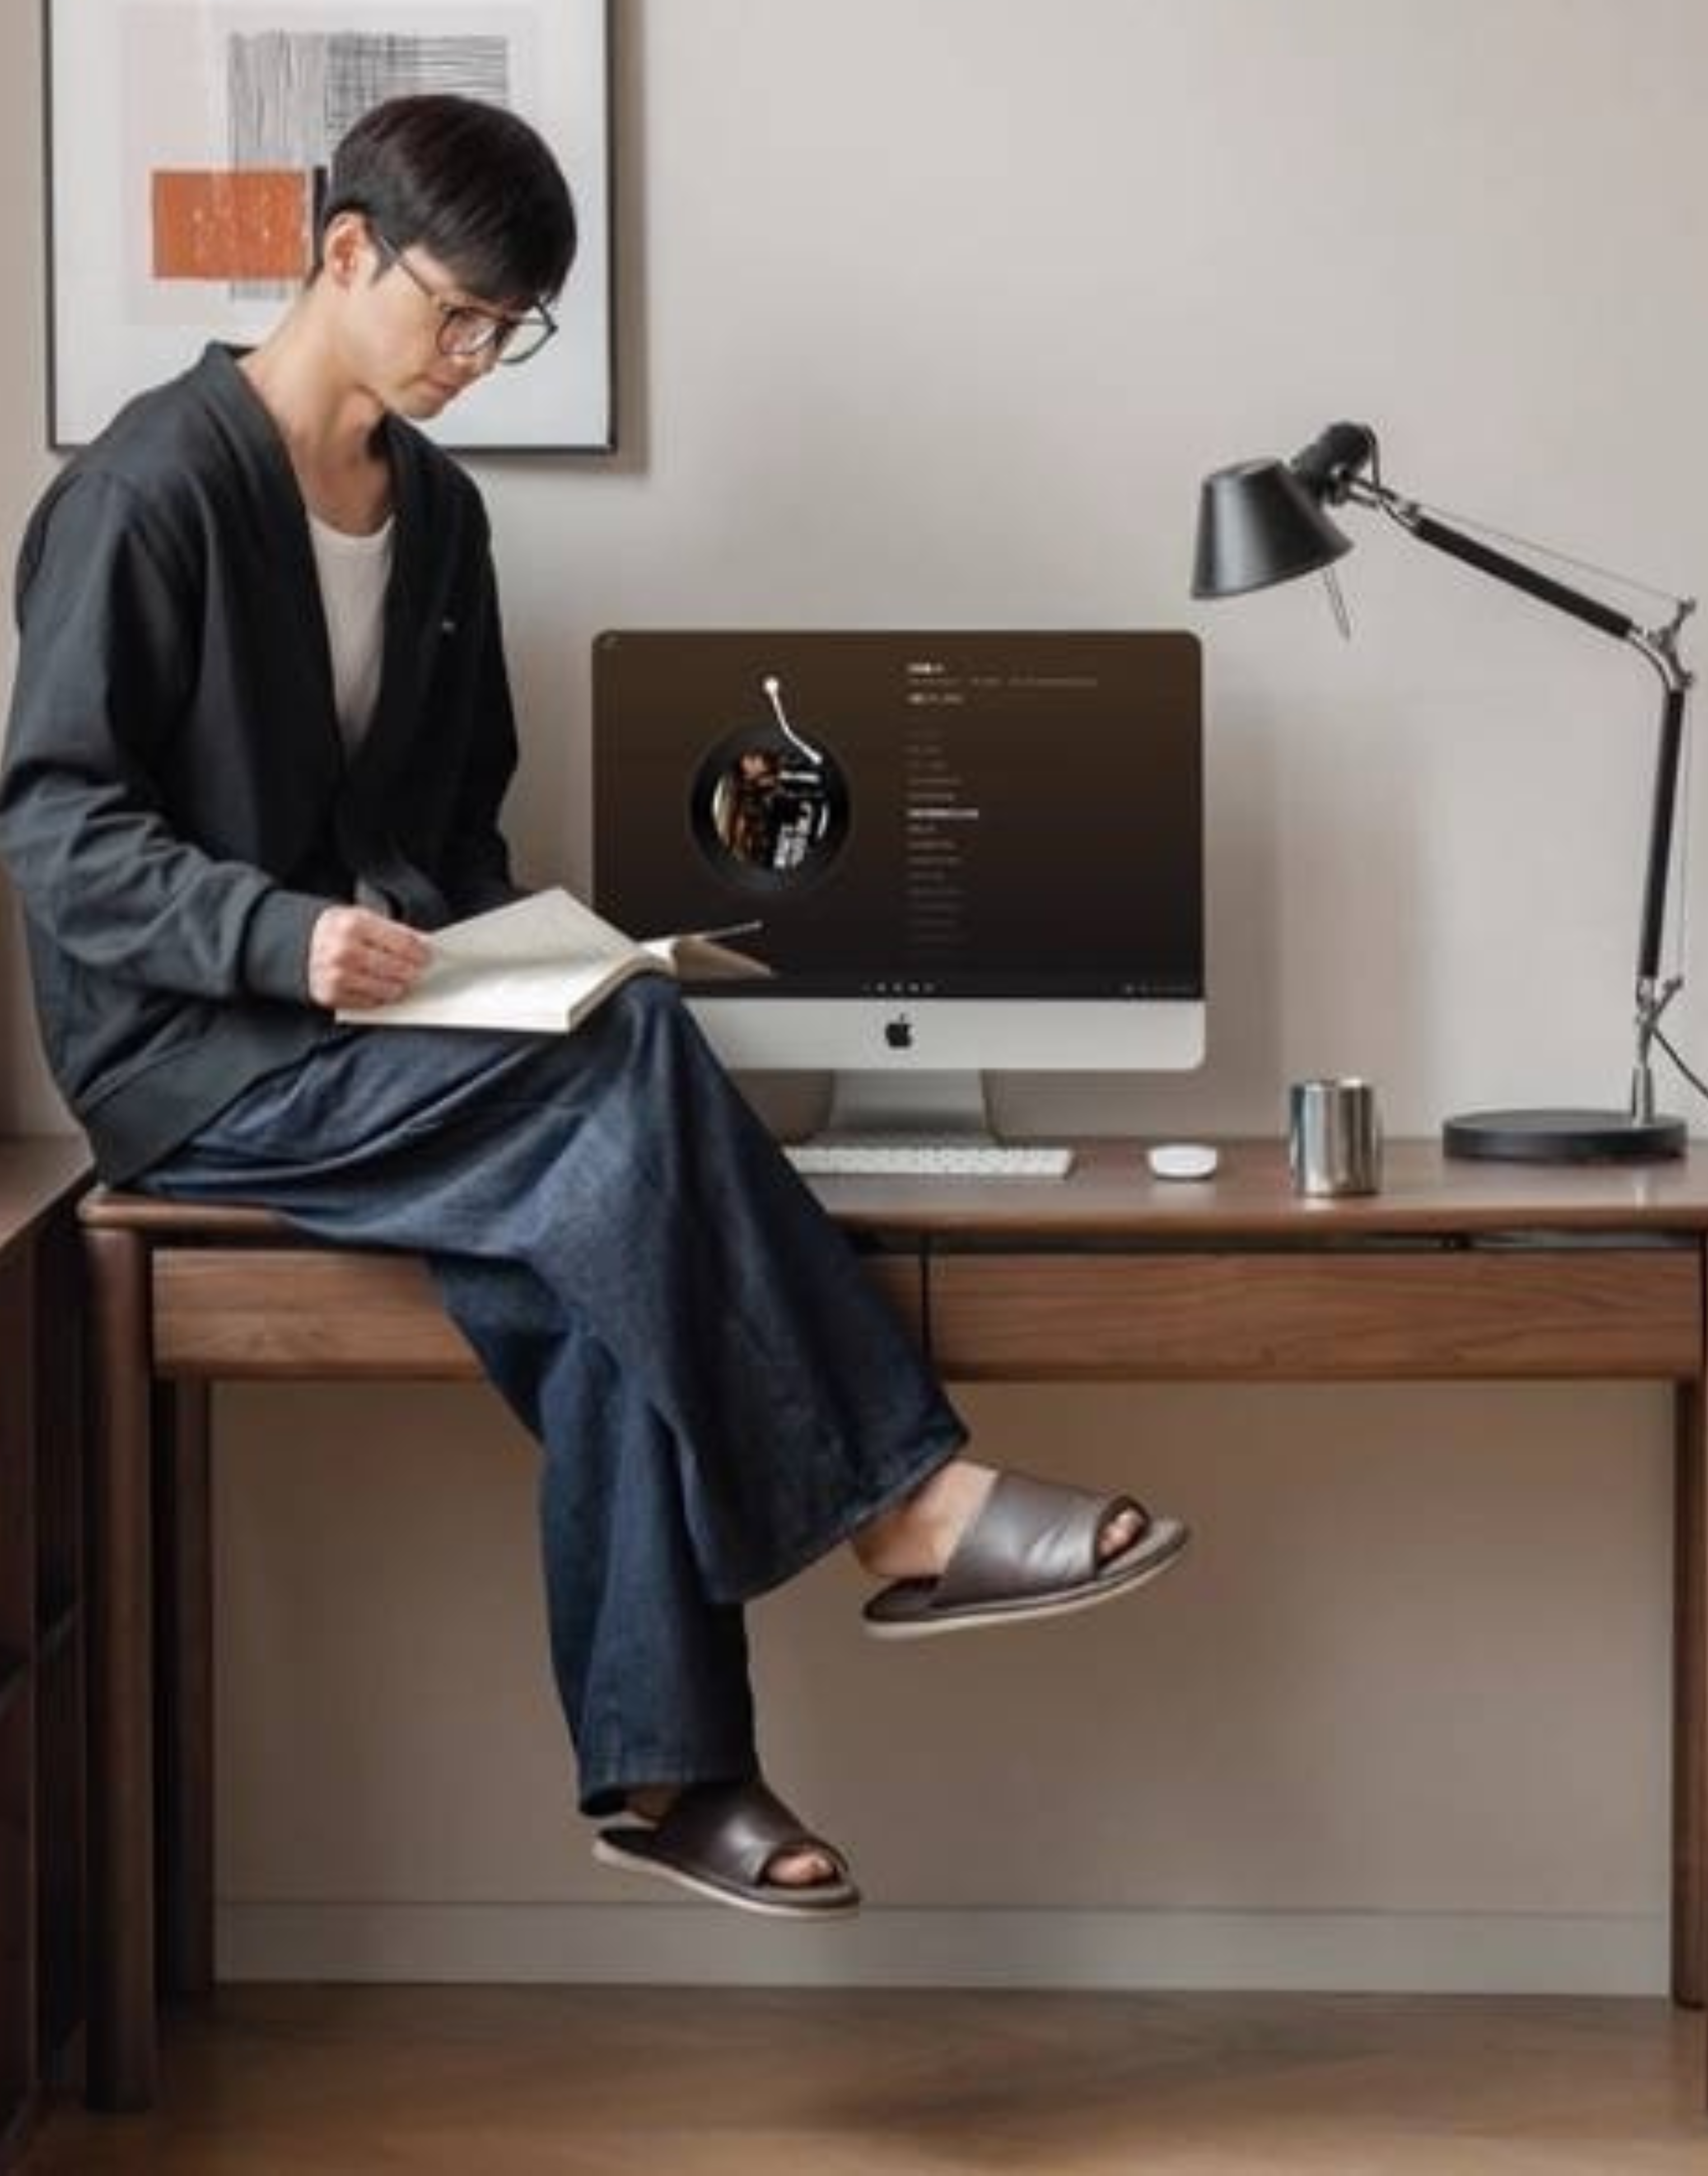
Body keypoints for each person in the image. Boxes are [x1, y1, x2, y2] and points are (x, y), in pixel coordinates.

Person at [0, 93, 1188, 1917]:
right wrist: (271, 933)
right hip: (200, 1056)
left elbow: (452, 820)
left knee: (601, 1233)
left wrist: (513, 959)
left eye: (509, 330)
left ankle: (666, 1768)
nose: (477, 358)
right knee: (632, 1068)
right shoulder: (148, 490)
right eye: (461, 315)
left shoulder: (445, 517)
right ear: (343, 250)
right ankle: (905, 1503)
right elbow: (56, 824)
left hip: (394, 1036)